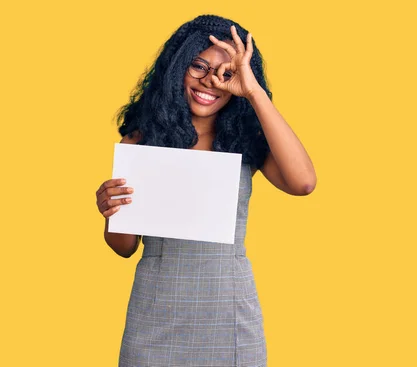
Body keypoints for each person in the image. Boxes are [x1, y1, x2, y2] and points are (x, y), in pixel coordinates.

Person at [94, 14, 316, 367]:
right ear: (177, 67)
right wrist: (110, 212)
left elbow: (304, 183)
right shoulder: (141, 141)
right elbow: (124, 248)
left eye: (227, 73)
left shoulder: (244, 142)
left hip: (229, 313)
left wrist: (254, 91)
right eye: (198, 66)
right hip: (155, 313)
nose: (210, 82)